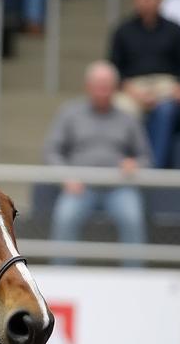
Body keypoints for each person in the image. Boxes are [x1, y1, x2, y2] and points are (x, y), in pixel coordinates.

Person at [44, 61, 152, 262]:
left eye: (107, 86)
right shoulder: (69, 113)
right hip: (80, 187)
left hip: (120, 187)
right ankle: (61, 279)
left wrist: (135, 164)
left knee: (133, 219)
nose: (103, 91)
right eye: (98, 86)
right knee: (64, 218)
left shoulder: (129, 118)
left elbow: (146, 157)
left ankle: (136, 280)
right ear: (88, 86)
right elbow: (52, 152)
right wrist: (65, 177)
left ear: (115, 88)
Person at [109, 0, 180, 168]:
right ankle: (125, 165)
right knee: (122, 110)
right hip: (133, 87)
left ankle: (154, 168)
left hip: (166, 85)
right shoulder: (122, 30)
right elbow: (114, 68)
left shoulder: (174, 29)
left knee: (166, 110)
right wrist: (129, 88)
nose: (145, 0)